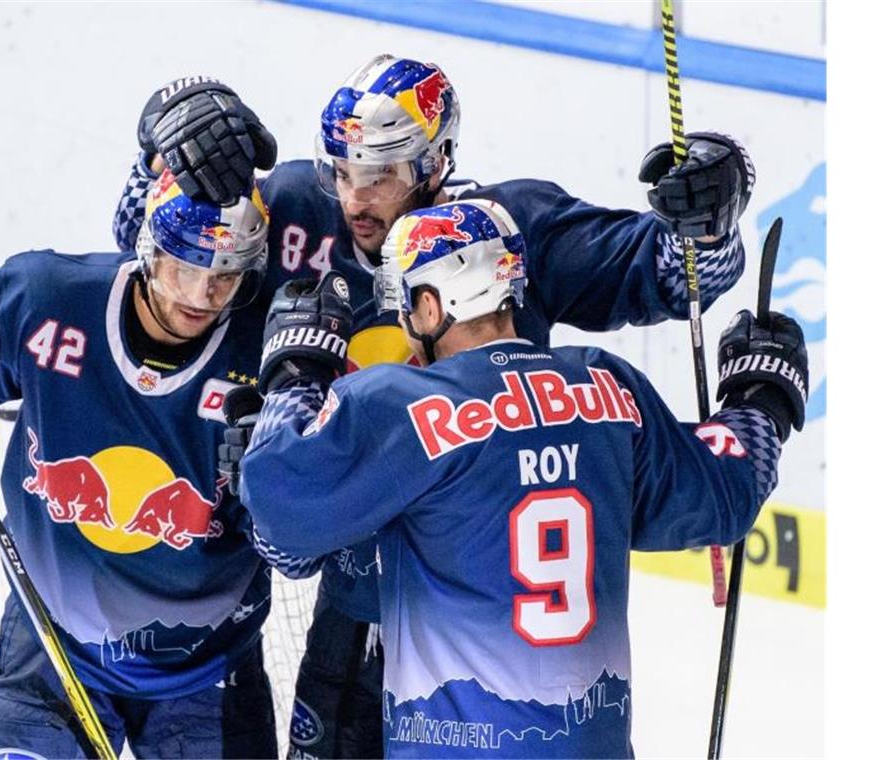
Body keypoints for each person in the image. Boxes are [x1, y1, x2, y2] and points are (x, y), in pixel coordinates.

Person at [116, 56, 755, 759]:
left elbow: (666, 271)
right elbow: (152, 243)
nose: (355, 198)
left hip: (477, 607)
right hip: (353, 595)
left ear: (436, 160)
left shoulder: (509, 231)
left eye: (381, 173)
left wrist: (709, 218)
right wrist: (167, 137)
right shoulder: (298, 206)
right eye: (342, 168)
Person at [237, 200, 807, 759]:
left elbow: (281, 518)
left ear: (432, 308)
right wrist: (761, 397)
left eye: (409, 308)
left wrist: (297, 372)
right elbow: (722, 496)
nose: (407, 328)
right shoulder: (607, 387)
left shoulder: (398, 405)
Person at [0, 169, 283, 759]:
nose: (202, 294)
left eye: (226, 274)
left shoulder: (266, 348)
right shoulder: (49, 300)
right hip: (51, 646)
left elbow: (304, 525)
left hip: (207, 669)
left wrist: (285, 464)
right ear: (150, 249)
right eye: (185, 265)